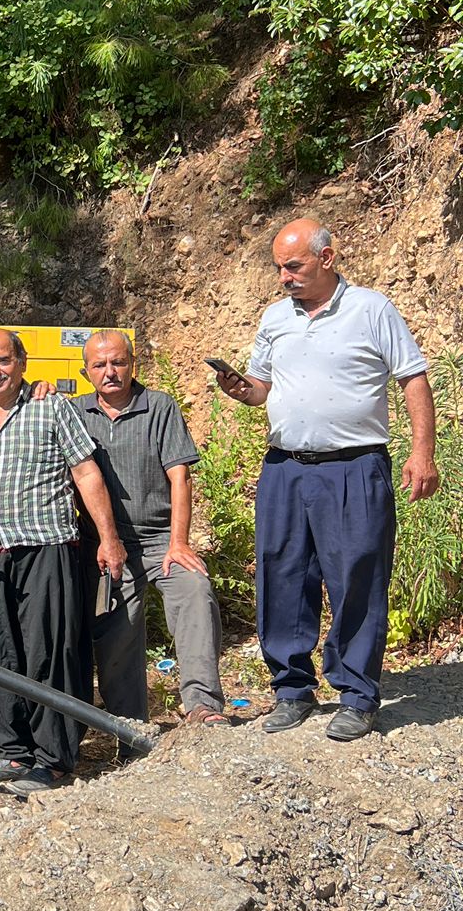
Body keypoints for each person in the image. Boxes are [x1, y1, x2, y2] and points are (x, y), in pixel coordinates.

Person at [212, 218, 438, 742]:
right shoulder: (275, 318)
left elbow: (412, 376)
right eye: (278, 268)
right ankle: (292, 690)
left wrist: (422, 452)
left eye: (293, 266)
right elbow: (260, 390)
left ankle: (357, 695)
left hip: (354, 467)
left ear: (328, 258)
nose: (283, 277)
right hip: (285, 468)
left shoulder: (371, 309)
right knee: (282, 574)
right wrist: (236, 387)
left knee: (357, 576)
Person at [0, 330, 126, 795]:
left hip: (46, 549)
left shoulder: (52, 408)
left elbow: (86, 473)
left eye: (2, 360)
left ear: (22, 362)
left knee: (50, 652)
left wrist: (108, 538)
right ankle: (10, 752)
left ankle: (53, 759)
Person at [76, 330, 226, 727]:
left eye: (118, 362)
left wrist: (179, 542)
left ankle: (202, 705)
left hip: (161, 539)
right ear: (86, 371)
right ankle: (130, 727)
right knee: (115, 638)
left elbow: (181, 477)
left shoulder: (160, 407)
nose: (110, 372)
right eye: (100, 365)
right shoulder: (73, 413)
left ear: (132, 364)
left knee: (195, 591)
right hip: (105, 546)